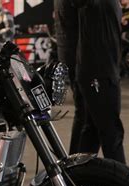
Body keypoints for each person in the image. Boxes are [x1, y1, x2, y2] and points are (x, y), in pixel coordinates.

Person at [71, 0, 126, 164]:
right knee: (111, 132)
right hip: (98, 73)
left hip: (104, 70)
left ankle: (79, 178)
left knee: (92, 132)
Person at [54, 0, 85, 155]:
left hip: (73, 54)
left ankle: (77, 159)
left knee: (84, 112)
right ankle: (76, 161)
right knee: (84, 111)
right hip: (77, 56)